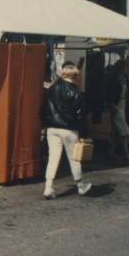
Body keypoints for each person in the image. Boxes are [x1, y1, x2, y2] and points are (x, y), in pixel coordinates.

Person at [40, 63, 92, 200]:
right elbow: (81, 115)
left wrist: (44, 125)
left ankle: (48, 187)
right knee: (74, 158)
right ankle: (81, 185)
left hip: (52, 128)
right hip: (69, 129)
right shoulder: (76, 92)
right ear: (75, 76)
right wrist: (83, 134)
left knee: (53, 158)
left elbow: (43, 109)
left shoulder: (51, 89)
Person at [105, 59, 129, 162]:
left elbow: (121, 92)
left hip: (122, 103)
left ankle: (111, 151)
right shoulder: (113, 78)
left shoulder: (123, 78)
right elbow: (108, 92)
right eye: (126, 67)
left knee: (116, 130)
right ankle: (127, 153)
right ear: (122, 68)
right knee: (124, 130)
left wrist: (128, 93)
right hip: (117, 105)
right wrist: (112, 104)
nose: (127, 69)